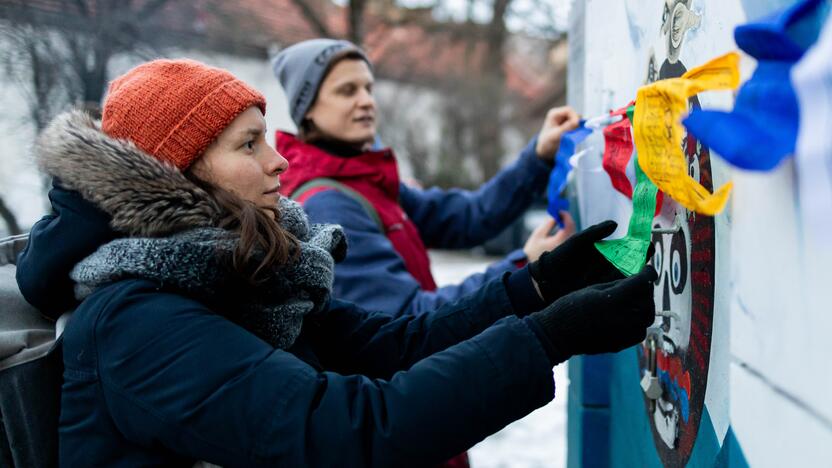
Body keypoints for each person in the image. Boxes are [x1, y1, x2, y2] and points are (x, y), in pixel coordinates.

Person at [16, 59, 656, 467]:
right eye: (248, 145)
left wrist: (538, 287)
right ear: (177, 175)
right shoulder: (137, 323)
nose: (278, 162)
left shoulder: (236, 278)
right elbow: (352, 432)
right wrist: (551, 336)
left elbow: (392, 343)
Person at [272, 39, 580, 317]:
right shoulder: (329, 207)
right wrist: (526, 264)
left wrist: (539, 156)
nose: (366, 101)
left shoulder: (367, 183)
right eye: (347, 91)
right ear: (307, 110)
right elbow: (408, 316)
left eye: (368, 88)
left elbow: (468, 217)